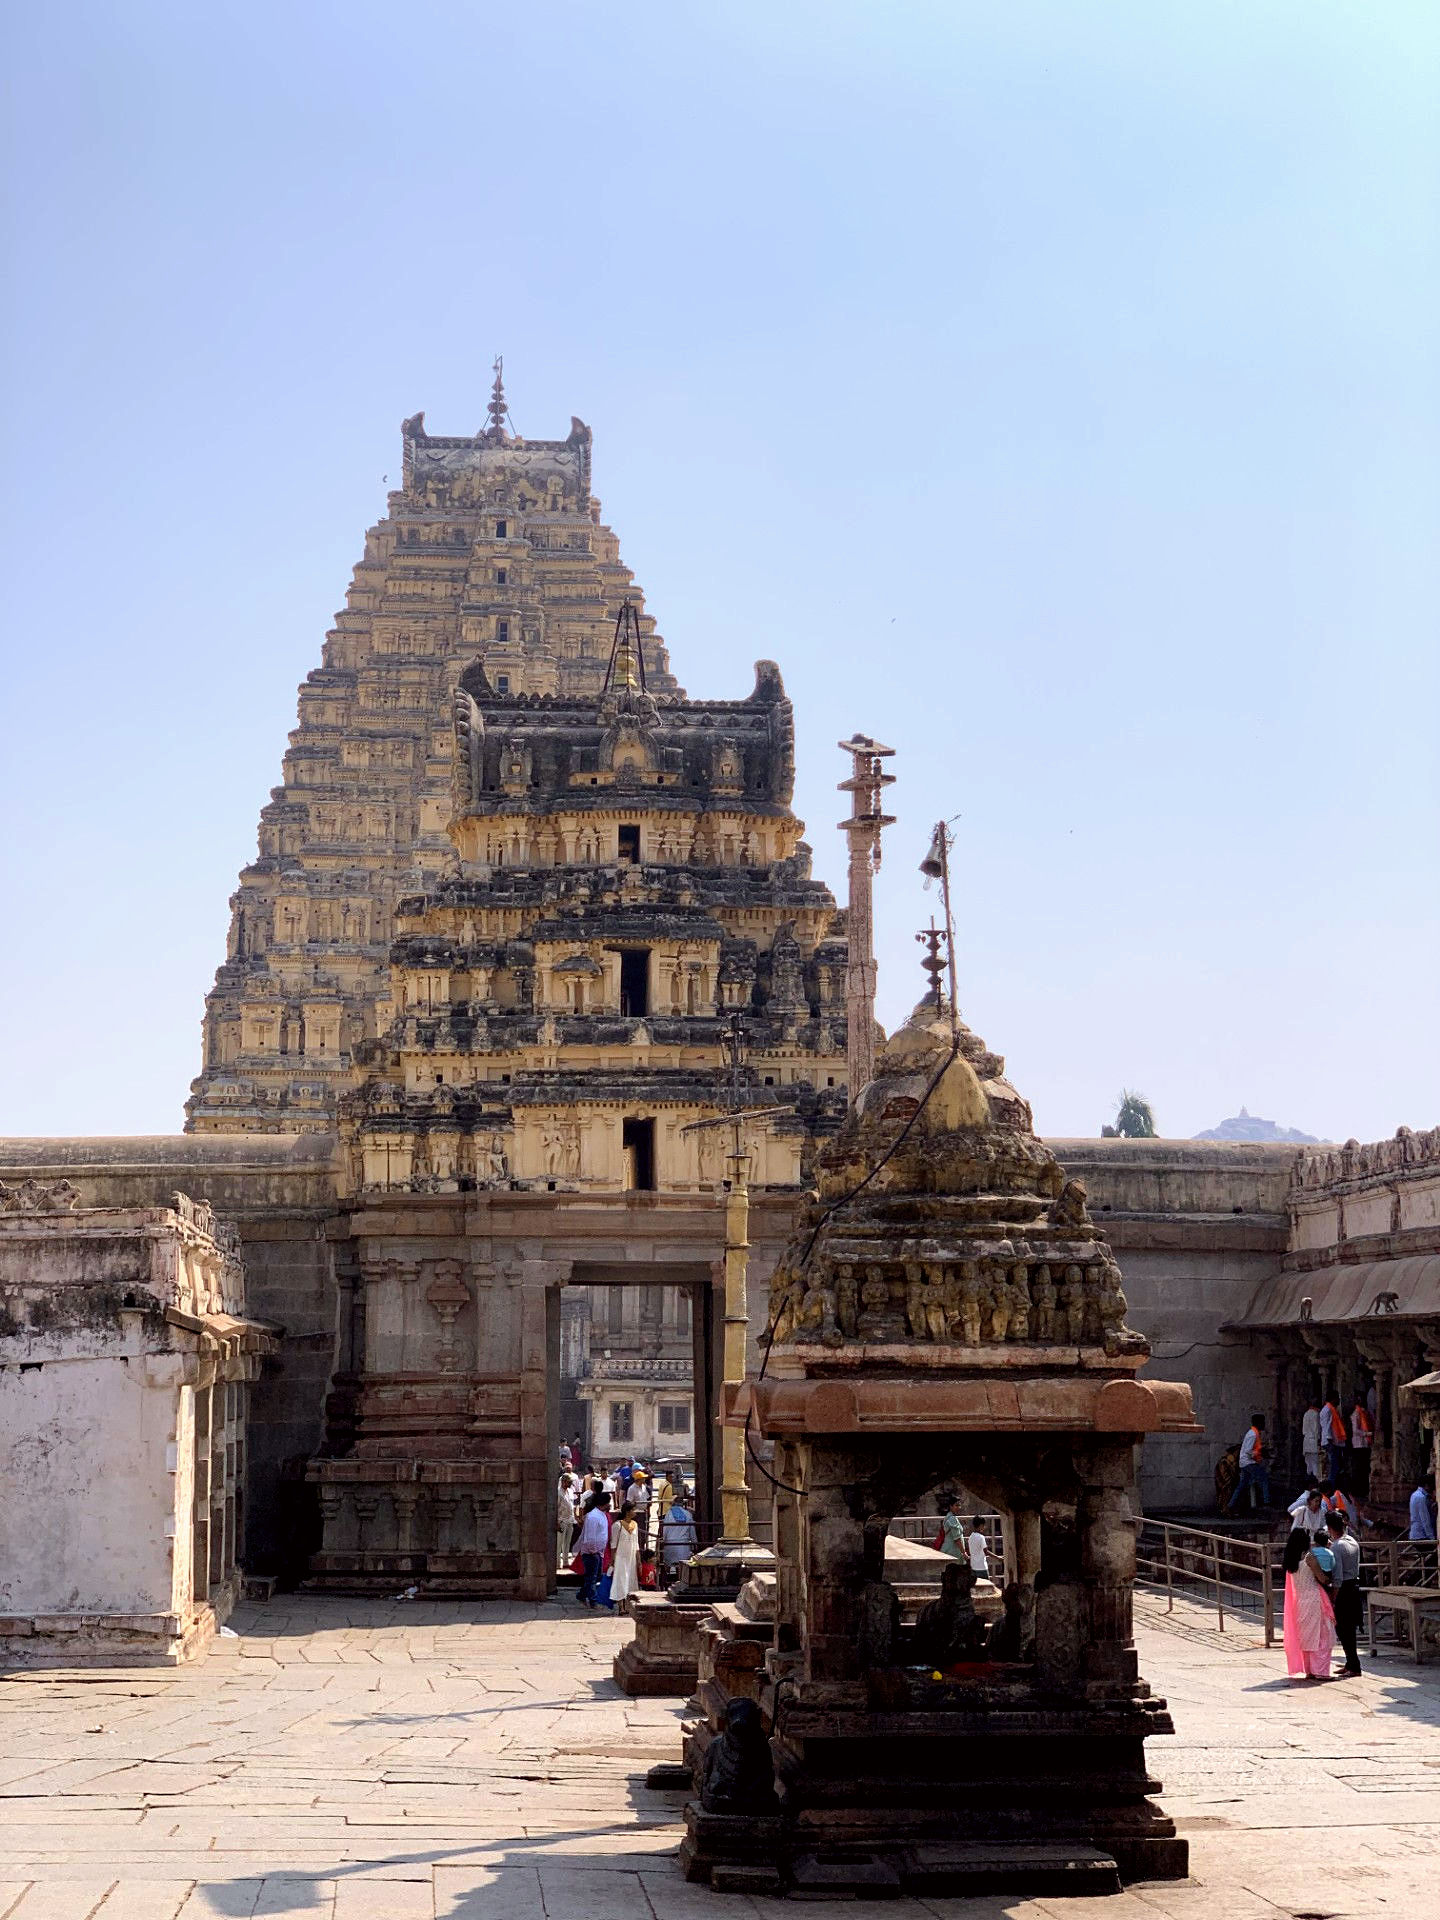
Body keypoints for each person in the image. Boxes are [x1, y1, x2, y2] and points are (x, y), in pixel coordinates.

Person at [1282, 1524, 1335, 1680]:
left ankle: (1310, 1670)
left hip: (1300, 1601)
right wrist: (1330, 1579)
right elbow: (1322, 1578)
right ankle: (1321, 1671)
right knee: (1322, 1636)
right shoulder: (1309, 1558)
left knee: (1307, 1637)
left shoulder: (1290, 1562)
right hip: (1314, 1599)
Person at [1328, 1506, 1363, 1677]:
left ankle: (1353, 1664)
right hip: (1354, 1587)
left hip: (1344, 1589)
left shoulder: (1337, 1546)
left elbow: (1338, 1577)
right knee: (1349, 1628)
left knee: (1343, 1628)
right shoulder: (1352, 1541)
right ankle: (1351, 1663)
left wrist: (1333, 1598)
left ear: (1330, 1528)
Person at [1227, 1414, 1269, 1513]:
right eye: (1263, 1422)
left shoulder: (1253, 1433)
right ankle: (1266, 1502)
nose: (1264, 1424)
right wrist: (1259, 1453)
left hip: (1245, 1462)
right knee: (1264, 1479)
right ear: (1258, 1423)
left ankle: (1231, 1505)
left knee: (1242, 1484)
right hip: (1248, 1462)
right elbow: (1248, 1450)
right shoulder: (1253, 1434)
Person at [661, 1485, 698, 1576]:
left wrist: (664, 1542)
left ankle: (667, 1581)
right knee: (682, 1568)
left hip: (670, 1546)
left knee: (668, 1566)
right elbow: (692, 1533)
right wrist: (695, 1544)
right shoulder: (688, 1515)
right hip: (683, 1547)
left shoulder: (668, 1515)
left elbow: (664, 1531)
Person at [610, 1507, 641, 1606]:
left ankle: (628, 1606)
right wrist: (613, 1560)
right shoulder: (617, 1525)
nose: (635, 1512)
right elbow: (613, 1545)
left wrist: (639, 1560)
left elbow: (636, 1544)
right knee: (620, 1580)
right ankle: (621, 1607)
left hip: (631, 1558)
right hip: (620, 1557)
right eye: (633, 1510)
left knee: (630, 1580)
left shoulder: (635, 1525)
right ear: (628, 1512)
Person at [1320, 1395, 1348, 1486]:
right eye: (1337, 1398)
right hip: (1331, 1442)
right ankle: (1331, 1486)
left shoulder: (1330, 1409)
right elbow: (1327, 1426)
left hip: (1333, 1441)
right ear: (1332, 1399)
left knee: (1336, 1465)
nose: (1339, 1400)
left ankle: (1333, 1485)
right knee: (1334, 1466)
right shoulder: (1328, 1410)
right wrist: (1329, 1440)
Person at [1349, 1395, 1373, 1497]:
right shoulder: (1356, 1414)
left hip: (1364, 1445)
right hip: (1358, 1445)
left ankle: (1363, 1490)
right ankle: (1358, 1491)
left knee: (1364, 1469)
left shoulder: (1364, 1412)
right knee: (1359, 1469)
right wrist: (1366, 1434)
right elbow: (1355, 1430)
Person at [625, 1468, 651, 1552]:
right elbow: (629, 1501)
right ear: (639, 1479)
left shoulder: (644, 1487)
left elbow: (647, 1499)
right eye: (643, 1478)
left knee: (643, 1533)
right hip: (636, 1514)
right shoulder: (632, 1488)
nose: (645, 1479)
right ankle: (637, 1550)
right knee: (638, 1533)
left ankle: (642, 1550)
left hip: (644, 1513)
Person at [555, 1472, 578, 1569]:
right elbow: (556, 1508)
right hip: (561, 1520)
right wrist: (556, 1522)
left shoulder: (570, 1491)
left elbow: (572, 1505)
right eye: (569, 1482)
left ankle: (565, 1561)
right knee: (559, 1543)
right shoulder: (558, 1492)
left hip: (570, 1519)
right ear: (564, 1482)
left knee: (567, 1542)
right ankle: (557, 1563)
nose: (570, 1484)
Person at [1301, 1395, 1323, 1484]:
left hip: (1306, 1442)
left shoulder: (1306, 1413)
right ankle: (1315, 1487)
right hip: (1314, 1442)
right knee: (1316, 1467)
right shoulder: (1316, 1414)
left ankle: (1308, 1486)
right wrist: (1319, 1441)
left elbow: (1304, 1430)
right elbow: (1317, 1430)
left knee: (1308, 1467)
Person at [1214, 1443, 1241, 1515]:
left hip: (1224, 1478)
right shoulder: (1226, 1460)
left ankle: (1224, 1509)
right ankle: (1225, 1509)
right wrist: (1228, 1481)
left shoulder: (1229, 1459)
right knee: (1226, 1492)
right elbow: (1224, 1472)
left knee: (1225, 1492)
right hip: (1225, 1479)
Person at [940, 1496, 968, 1561]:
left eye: (959, 1505)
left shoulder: (948, 1516)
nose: (959, 1508)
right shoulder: (952, 1519)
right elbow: (957, 1538)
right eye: (956, 1505)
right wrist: (964, 1552)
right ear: (951, 1506)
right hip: (953, 1553)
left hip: (949, 1551)